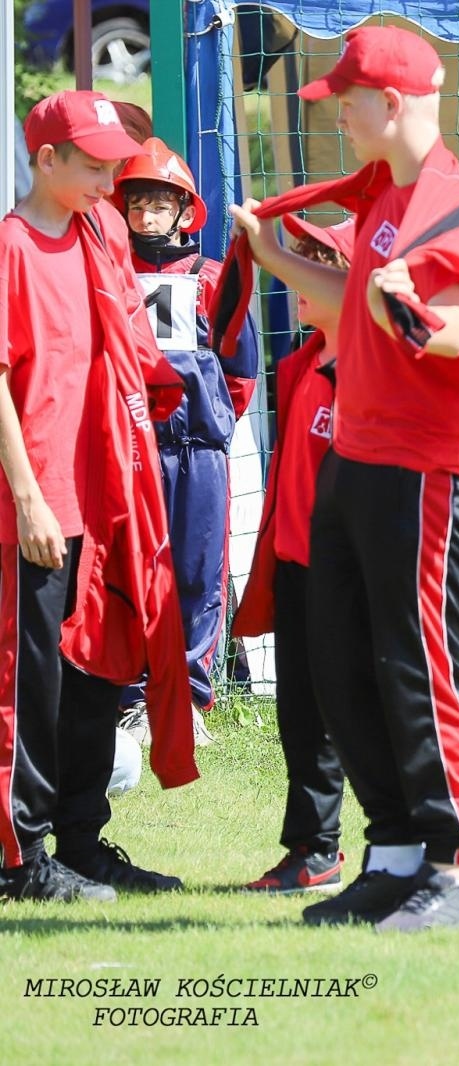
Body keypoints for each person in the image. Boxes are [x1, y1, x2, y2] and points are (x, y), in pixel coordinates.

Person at [225, 25, 459, 931]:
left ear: (392, 103)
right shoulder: (387, 199)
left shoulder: (450, 204)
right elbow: (351, 308)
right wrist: (269, 254)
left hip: (423, 470)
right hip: (358, 460)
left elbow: (454, 334)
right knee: (336, 659)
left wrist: (399, 301)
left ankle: (454, 873)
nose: (338, 119)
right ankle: (397, 848)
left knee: (415, 663)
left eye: (347, 101)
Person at [0, 90, 191, 902]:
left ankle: (79, 839)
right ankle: (19, 857)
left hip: (107, 490)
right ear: (45, 160)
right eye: (94, 163)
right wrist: (29, 499)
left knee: (98, 672)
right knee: (26, 683)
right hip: (38, 500)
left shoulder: (102, 230)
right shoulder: (11, 245)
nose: (112, 174)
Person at [112, 137, 260, 745]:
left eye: (159, 204)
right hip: (126, 449)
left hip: (196, 450)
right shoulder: (107, 274)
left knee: (198, 574)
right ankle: (129, 700)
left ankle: (189, 699)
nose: (147, 217)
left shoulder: (210, 277)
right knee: (127, 572)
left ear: (183, 212)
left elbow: (241, 369)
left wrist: (204, 422)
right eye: (138, 203)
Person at [231, 214, 352, 894]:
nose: (302, 267)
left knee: (352, 713)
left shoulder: (370, 370)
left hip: (347, 571)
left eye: (318, 257)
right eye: (301, 252)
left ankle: (412, 851)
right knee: (300, 713)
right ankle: (314, 848)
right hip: (300, 566)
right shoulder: (307, 361)